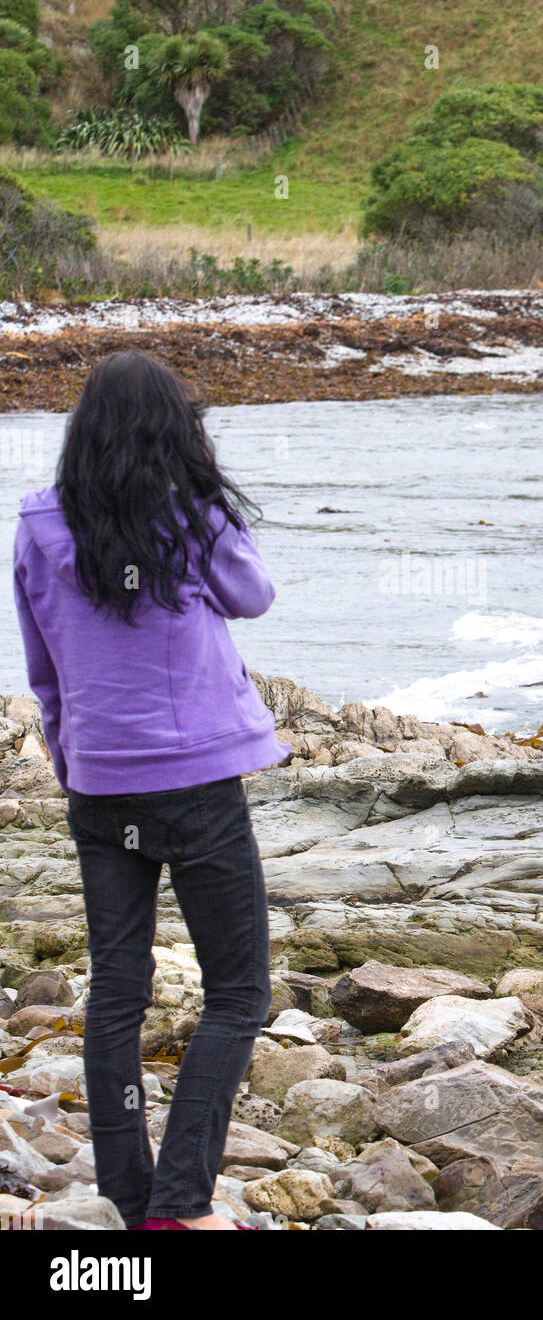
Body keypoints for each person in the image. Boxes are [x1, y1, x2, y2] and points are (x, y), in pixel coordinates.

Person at [12, 350, 290, 1232]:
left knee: (118, 991)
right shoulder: (190, 514)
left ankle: (134, 1202)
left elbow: (43, 665)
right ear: (175, 432)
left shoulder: (36, 523)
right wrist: (202, 483)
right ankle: (181, 1205)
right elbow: (255, 595)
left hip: (98, 784)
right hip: (198, 782)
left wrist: (69, 757)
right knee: (239, 992)